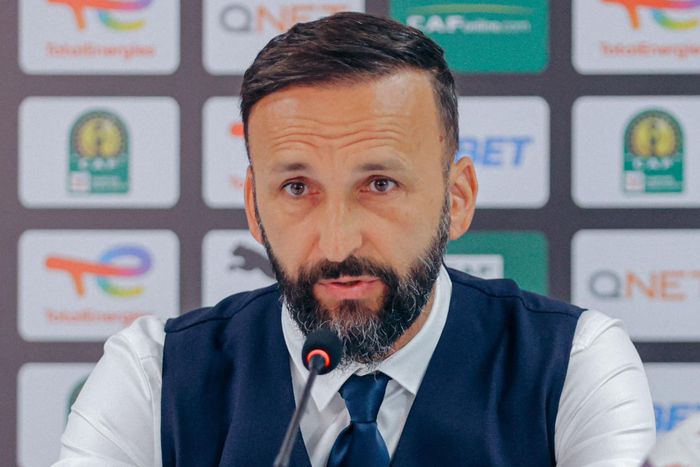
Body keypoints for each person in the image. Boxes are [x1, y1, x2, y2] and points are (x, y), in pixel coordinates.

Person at [55, 12, 656, 467]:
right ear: (254, 208)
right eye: (297, 188)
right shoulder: (153, 374)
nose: (338, 241)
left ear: (457, 198)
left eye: (380, 184)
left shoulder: (574, 363)